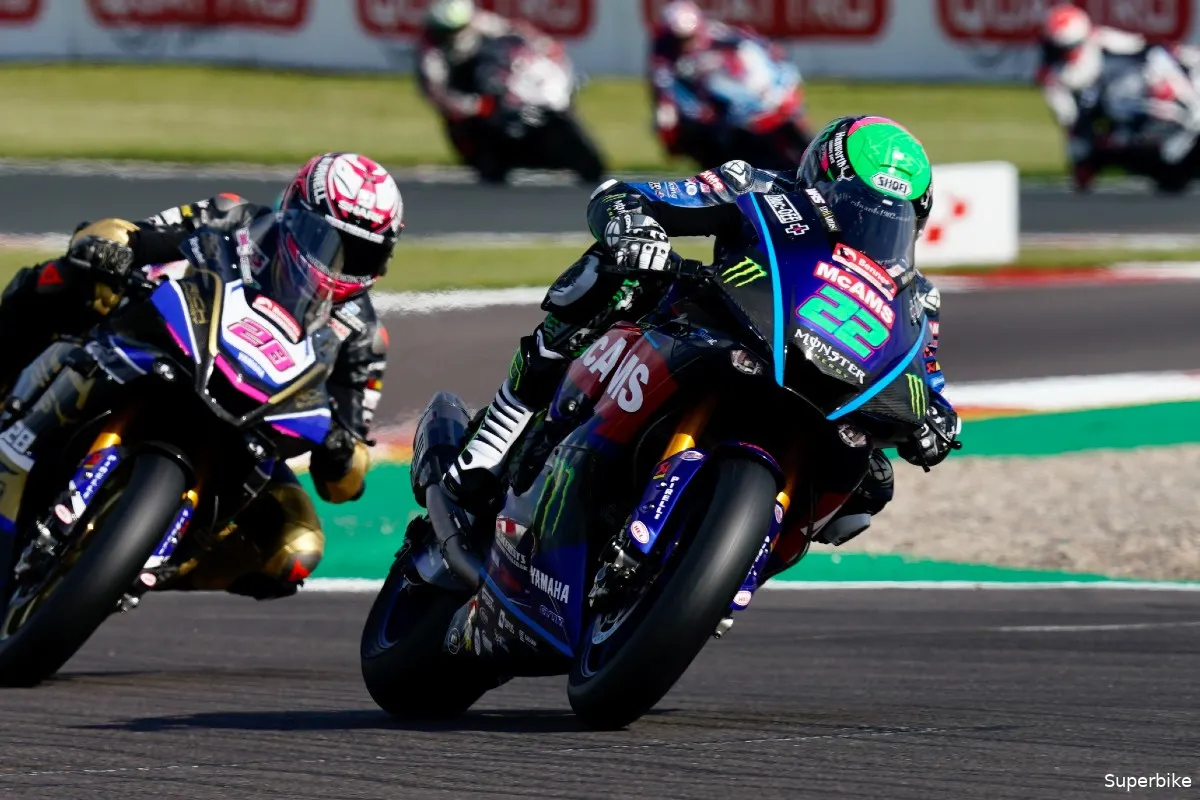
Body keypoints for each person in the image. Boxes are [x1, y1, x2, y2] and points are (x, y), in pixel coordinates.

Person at [441, 115, 960, 554]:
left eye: (888, 223)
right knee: (614, 276)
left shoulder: (917, 300)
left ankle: (731, 562)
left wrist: (937, 419)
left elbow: (926, 377)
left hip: (818, 390)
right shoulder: (755, 186)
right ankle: (502, 425)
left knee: (870, 485)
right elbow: (630, 195)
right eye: (856, 209)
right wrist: (636, 226)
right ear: (818, 180)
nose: (868, 231)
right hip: (712, 327)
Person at [0, 152, 402, 600]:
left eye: (360, 252)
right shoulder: (232, 216)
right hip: (170, 349)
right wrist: (115, 247)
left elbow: (346, 470)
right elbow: (138, 234)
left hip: (254, 426)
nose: (336, 262)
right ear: (294, 211)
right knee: (77, 279)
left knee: (297, 544)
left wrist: (341, 450)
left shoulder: (365, 337)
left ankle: (127, 564)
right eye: (324, 239)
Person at [1037, 3, 1200, 190]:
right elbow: (1072, 125)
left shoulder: (1112, 44)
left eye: (1068, 49)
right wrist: (1083, 162)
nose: (1067, 56)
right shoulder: (1057, 82)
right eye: (1059, 50)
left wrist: (1172, 91)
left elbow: (1155, 53)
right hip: (1129, 132)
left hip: (1165, 115)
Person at [417, 0, 559, 181]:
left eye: (456, 30)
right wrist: (473, 106)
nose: (451, 36)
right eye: (445, 32)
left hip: (492, 81)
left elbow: (514, 30)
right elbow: (437, 92)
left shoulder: (479, 22)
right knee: (476, 148)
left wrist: (545, 45)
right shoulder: (430, 53)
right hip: (463, 100)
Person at [649, 1, 801, 161]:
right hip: (702, 108)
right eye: (679, 39)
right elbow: (665, 87)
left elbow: (750, 42)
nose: (685, 43)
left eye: (689, 37)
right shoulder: (664, 55)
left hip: (742, 91)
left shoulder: (716, 33)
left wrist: (770, 50)